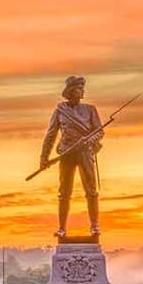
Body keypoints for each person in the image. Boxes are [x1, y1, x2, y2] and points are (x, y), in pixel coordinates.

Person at [39, 76, 103, 237]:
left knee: (91, 191)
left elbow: (100, 131)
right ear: (70, 91)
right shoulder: (60, 111)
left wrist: (89, 139)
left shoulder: (90, 110)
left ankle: (94, 226)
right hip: (67, 153)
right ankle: (62, 228)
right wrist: (44, 158)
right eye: (79, 88)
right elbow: (50, 135)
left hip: (85, 152)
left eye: (82, 88)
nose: (82, 91)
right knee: (64, 192)